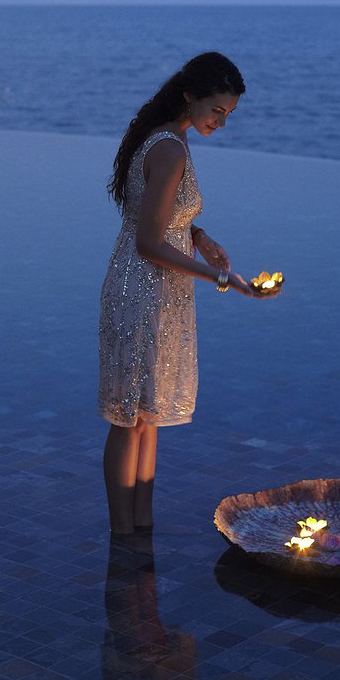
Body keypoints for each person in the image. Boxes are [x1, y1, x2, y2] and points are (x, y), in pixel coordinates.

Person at [99, 51, 275, 536]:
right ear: (189, 96)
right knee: (129, 415)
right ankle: (124, 532)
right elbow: (148, 240)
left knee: (148, 416)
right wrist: (223, 279)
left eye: (228, 114)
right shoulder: (169, 148)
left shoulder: (166, 140)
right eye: (217, 110)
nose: (221, 122)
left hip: (155, 285)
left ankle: (142, 525)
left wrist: (199, 237)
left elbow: (158, 214)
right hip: (144, 288)